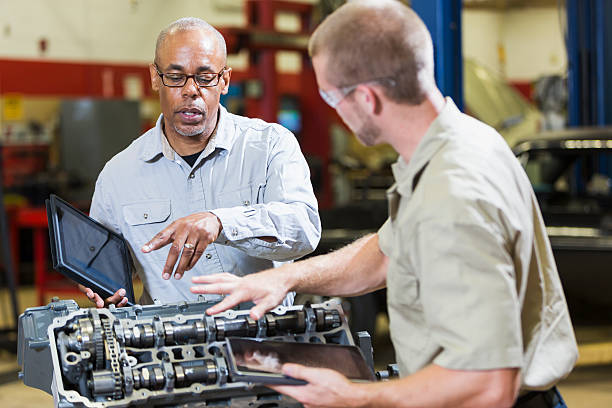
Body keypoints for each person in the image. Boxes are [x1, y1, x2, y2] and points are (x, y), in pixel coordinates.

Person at [190, 1, 578, 407]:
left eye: (330, 95)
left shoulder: (454, 193)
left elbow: (486, 384)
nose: (334, 111)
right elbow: (384, 255)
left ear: (368, 98)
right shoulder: (459, 142)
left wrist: (356, 397)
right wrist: (285, 278)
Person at [81, 17, 320, 308]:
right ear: (155, 78)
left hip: (263, 339)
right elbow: (107, 271)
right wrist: (101, 285)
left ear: (225, 80)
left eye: (205, 77)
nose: (191, 90)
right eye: (175, 76)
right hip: (167, 347)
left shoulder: (269, 146)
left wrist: (221, 223)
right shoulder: (118, 176)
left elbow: (303, 229)